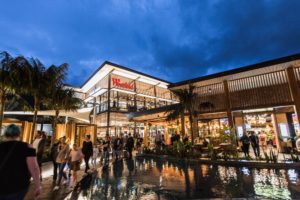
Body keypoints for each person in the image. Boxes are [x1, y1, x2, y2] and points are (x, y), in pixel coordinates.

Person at [0, 124, 41, 200]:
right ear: (19, 134)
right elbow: (34, 167)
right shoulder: (27, 147)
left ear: (5, 134)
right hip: (18, 185)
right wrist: (37, 186)